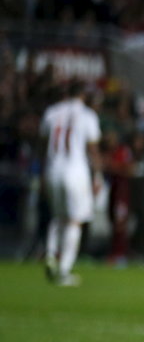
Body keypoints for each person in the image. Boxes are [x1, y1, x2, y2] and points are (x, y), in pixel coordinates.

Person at [41, 81, 102, 286]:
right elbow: (92, 148)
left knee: (58, 217)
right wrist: (98, 175)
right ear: (83, 94)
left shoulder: (51, 112)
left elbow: (42, 144)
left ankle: (50, 253)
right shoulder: (87, 115)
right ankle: (64, 270)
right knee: (74, 220)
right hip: (75, 171)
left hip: (52, 169)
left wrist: (42, 173)